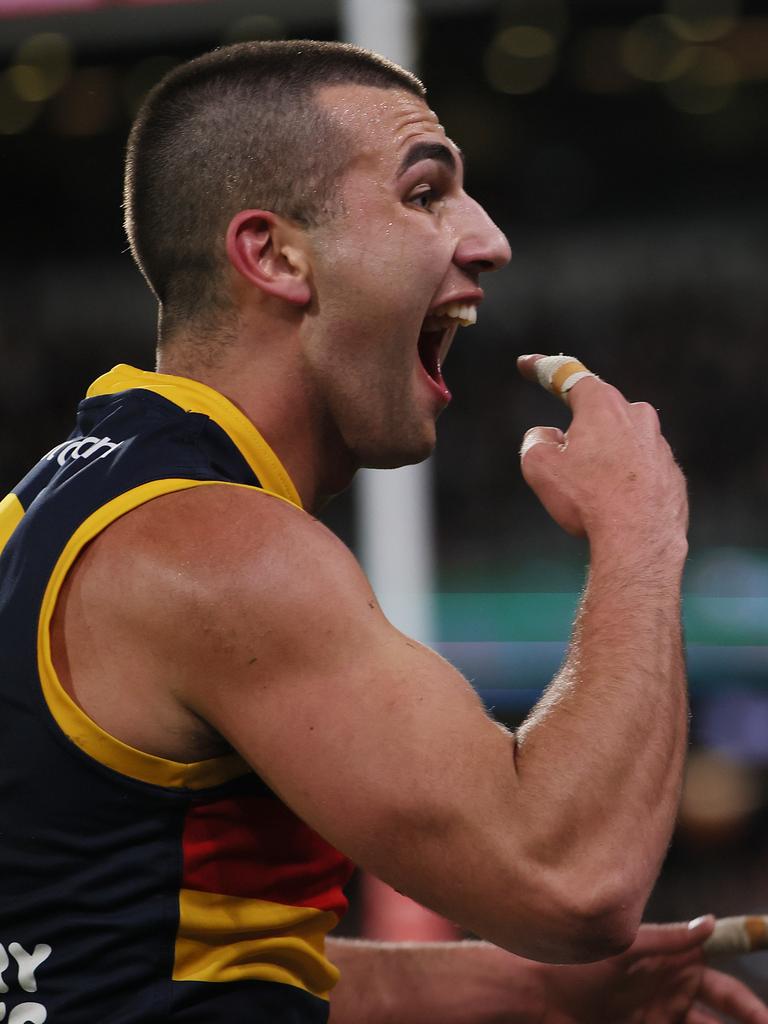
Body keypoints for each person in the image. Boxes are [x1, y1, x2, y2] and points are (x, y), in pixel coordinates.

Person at [0, 38, 764, 1024]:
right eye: (424, 194)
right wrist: (641, 529)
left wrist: (524, 990)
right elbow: (572, 881)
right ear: (275, 254)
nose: (488, 239)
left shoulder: (49, 514)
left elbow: (156, 961)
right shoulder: (219, 550)